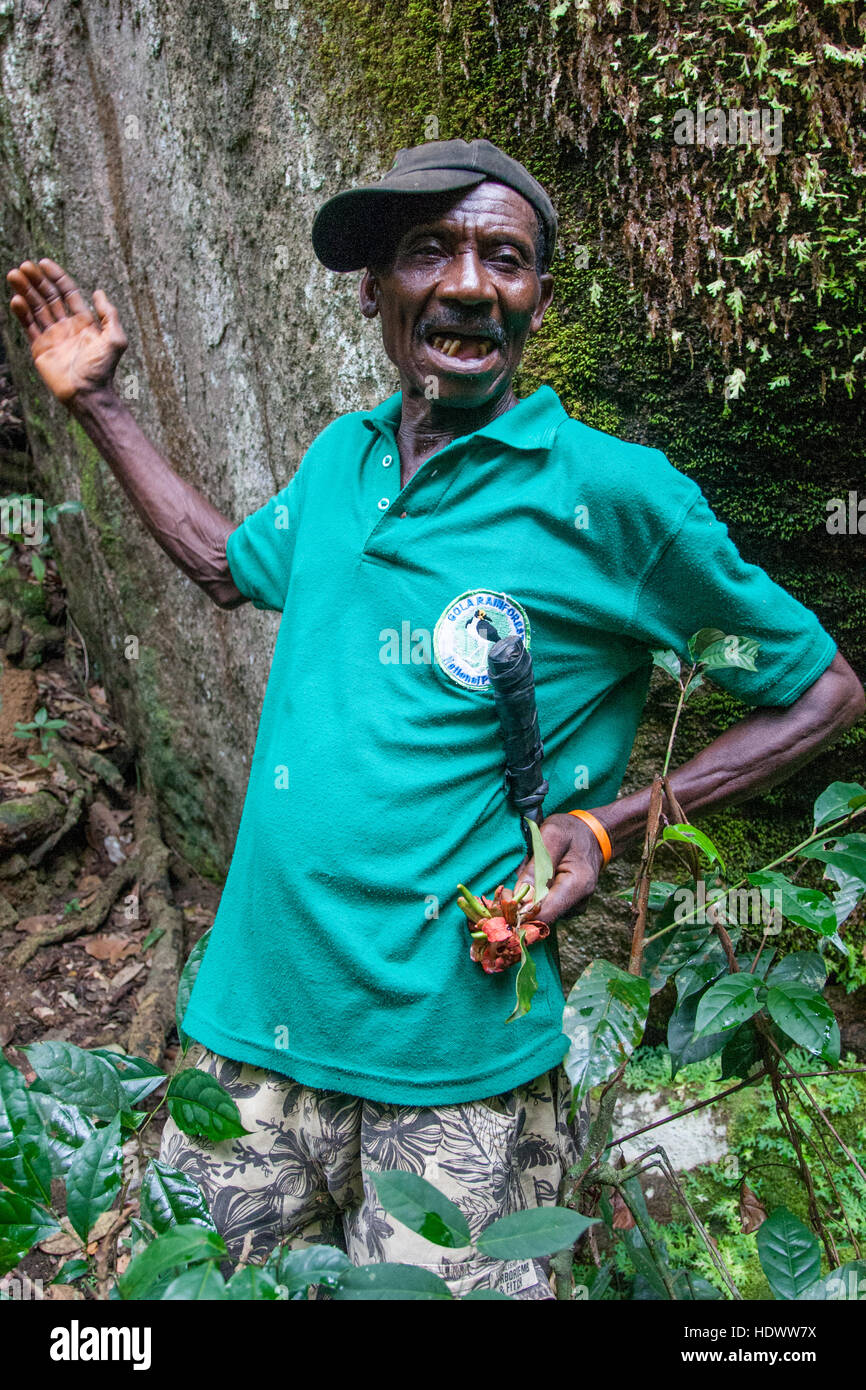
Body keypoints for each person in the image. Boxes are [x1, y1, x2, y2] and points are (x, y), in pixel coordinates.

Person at [7, 139, 863, 1299]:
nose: (467, 282)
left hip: (453, 1061)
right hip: (252, 1027)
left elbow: (818, 690)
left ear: (536, 300)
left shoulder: (612, 497)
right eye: (429, 250)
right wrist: (99, 403)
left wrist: (607, 827)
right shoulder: (338, 458)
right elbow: (222, 564)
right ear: (375, 291)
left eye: (501, 257)